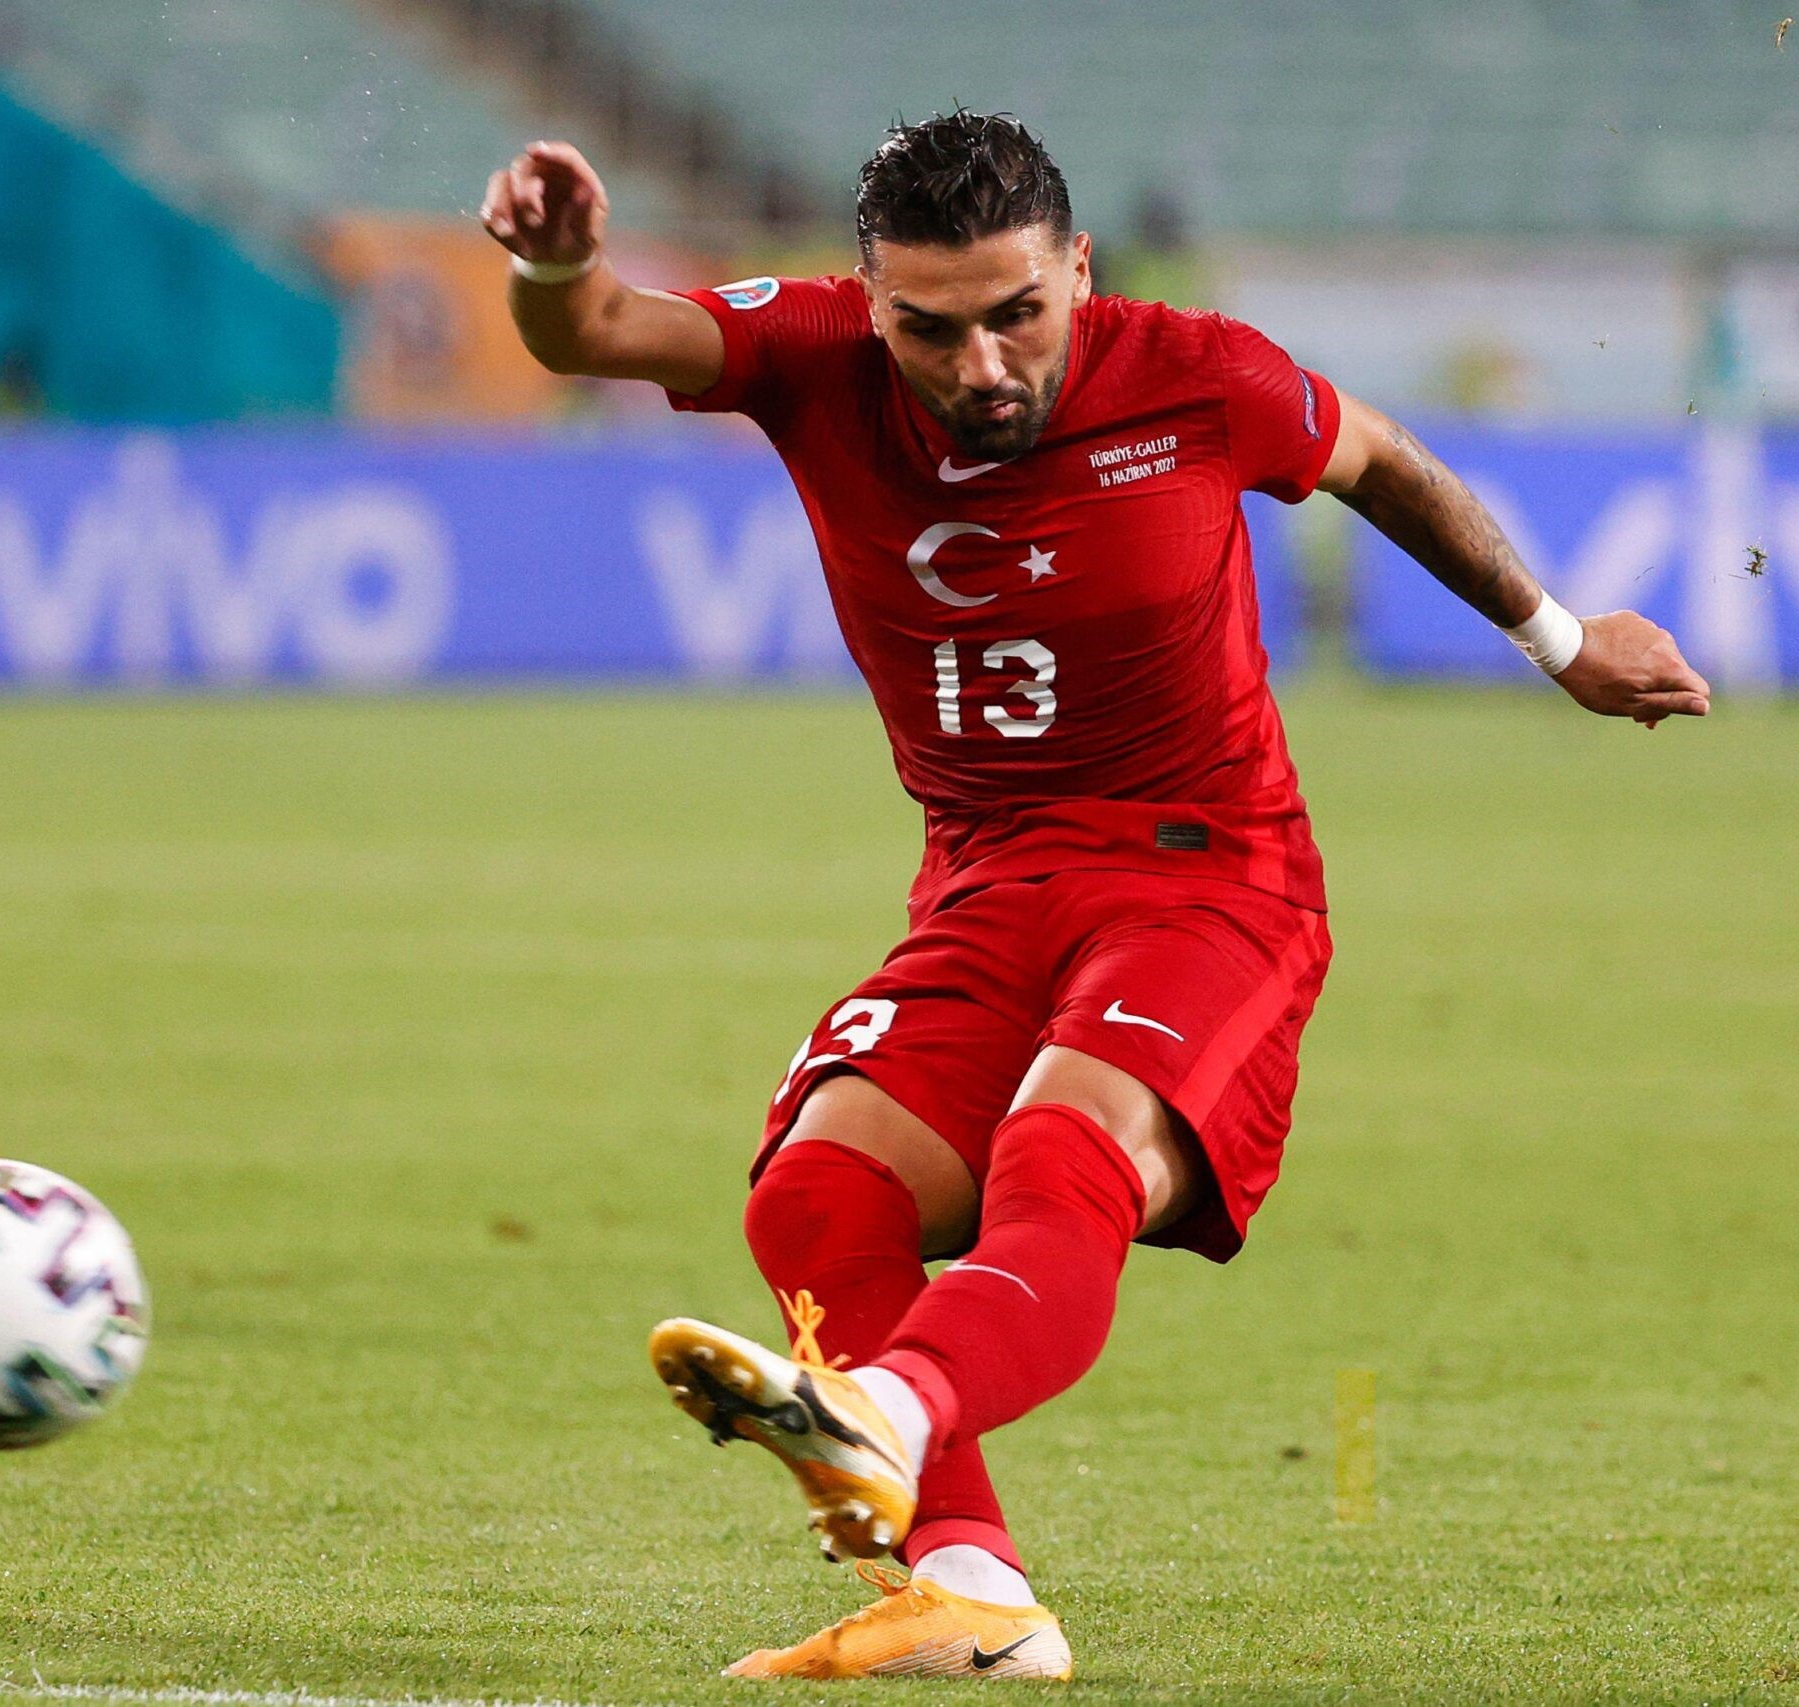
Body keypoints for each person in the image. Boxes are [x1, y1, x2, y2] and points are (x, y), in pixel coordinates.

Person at [481, 112, 1709, 1681]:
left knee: (1061, 1158)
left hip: (1211, 878)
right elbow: (588, 328)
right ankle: (971, 1591)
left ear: (1078, 269)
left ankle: (887, 1413)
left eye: (1017, 314)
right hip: (986, 880)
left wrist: (1562, 640)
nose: (982, 364)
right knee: (815, 1196)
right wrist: (557, 263)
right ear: (873, 303)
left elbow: (1381, 460)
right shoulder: (810, 357)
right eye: (931, 329)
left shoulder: (1200, 376)